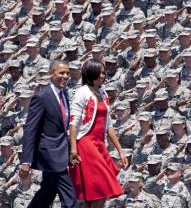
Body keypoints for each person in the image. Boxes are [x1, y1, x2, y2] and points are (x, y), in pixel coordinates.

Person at [69, 59, 128, 208]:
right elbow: (73, 122)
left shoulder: (103, 92)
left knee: (93, 193)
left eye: (104, 72)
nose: (103, 75)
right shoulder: (81, 93)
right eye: (100, 72)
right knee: (102, 187)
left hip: (100, 144)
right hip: (86, 143)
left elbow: (108, 125)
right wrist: (74, 149)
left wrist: (120, 151)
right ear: (91, 72)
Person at [19, 60, 77, 208]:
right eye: (61, 73)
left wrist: (71, 150)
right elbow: (30, 129)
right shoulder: (41, 97)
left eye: (67, 73)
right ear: (51, 74)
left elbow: (62, 127)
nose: (65, 76)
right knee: (70, 199)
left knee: (47, 193)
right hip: (50, 154)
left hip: (61, 152)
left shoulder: (64, 93)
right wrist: (26, 161)